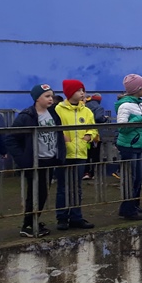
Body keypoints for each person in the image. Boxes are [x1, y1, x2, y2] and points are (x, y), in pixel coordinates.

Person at [6, 84, 65, 237]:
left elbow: (58, 134)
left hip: (49, 159)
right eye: (47, 96)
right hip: (35, 162)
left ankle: (34, 220)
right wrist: (23, 160)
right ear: (37, 98)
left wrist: (59, 154)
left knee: (43, 194)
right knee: (35, 194)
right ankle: (27, 225)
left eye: (51, 96)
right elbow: (11, 139)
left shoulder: (53, 114)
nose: (51, 99)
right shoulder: (27, 116)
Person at [53, 79, 96, 230]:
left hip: (81, 153)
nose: (82, 93)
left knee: (77, 187)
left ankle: (76, 217)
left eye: (83, 90)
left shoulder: (87, 111)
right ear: (70, 92)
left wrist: (88, 137)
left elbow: (92, 127)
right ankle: (62, 218)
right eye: (79, 90)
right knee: (63, 187)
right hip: (65, 154)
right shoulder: (58, 109)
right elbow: (55, 127)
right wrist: (63, 138)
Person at [115, 73, 142, 221]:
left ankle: (132, 205)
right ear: (138, 89)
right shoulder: (125, 105)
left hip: (138, 144)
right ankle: (129, 210)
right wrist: (141, 118)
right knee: (132, 178)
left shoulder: (139, 103)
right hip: (129, 145)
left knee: (138, 177)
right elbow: (123, 127)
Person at [83, 93, 109, 179]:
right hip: (95, 135)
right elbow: (98, 118)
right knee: (95, 155)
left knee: (86, 154)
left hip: (84, 134)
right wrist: (105, 118)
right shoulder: (99, 107)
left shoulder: (85, 106)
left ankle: (85, 173)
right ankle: (93, 173)